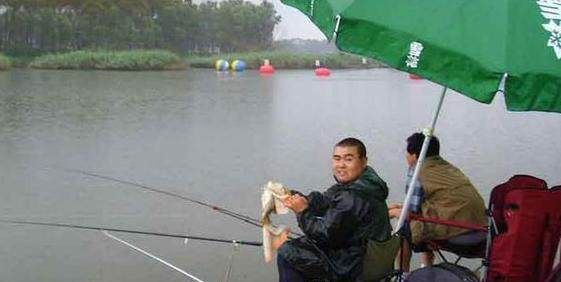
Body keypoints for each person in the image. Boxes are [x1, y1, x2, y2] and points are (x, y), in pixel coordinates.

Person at [273, 137, 392, 282]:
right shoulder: (364, 183)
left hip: (351, 265)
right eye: (337, 159)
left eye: (348, 159)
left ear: (363, 161)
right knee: (300, 245)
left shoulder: (354, 196)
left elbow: (324, 234)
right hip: (365, 256)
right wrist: (296, 197)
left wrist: (302, 212)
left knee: (288, 253)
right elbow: (325, 200)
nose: (341, 165)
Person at [388, 132, 487, 273]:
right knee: (418, 221)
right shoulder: (447, 167)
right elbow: (433, 204)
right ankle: (426, 269)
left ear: (415, 155)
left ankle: (403, 274)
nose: (406, 156)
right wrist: (397, 207)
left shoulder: (417, 170)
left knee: (403, 230)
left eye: (407, 153)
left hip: (457, 229)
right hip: (481, 229)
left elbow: (411, 211)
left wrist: (391, 212)